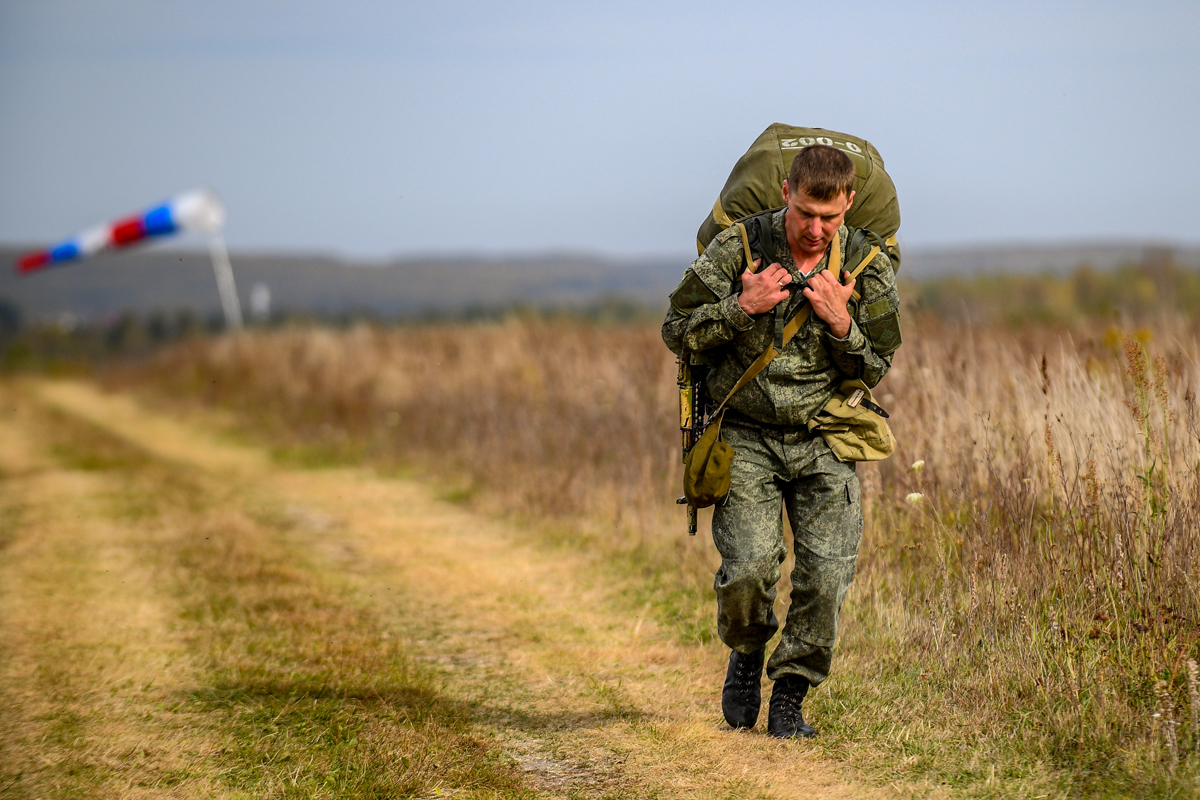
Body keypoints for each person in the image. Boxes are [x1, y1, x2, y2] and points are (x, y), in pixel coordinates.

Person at [662, 145, 901, 738]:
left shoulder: (865, 262)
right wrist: (741, 307)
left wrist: (843, 324)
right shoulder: (740, 247)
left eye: (830, 218)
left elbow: (877, 362)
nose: (816, 230)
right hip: (744, 433)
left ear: (847, 204)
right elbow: (676, 330)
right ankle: (746, 655)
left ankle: (791, 692)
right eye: (805, 214)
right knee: (748, 567)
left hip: (823, 434)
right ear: (787, 191)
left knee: (826, 575)